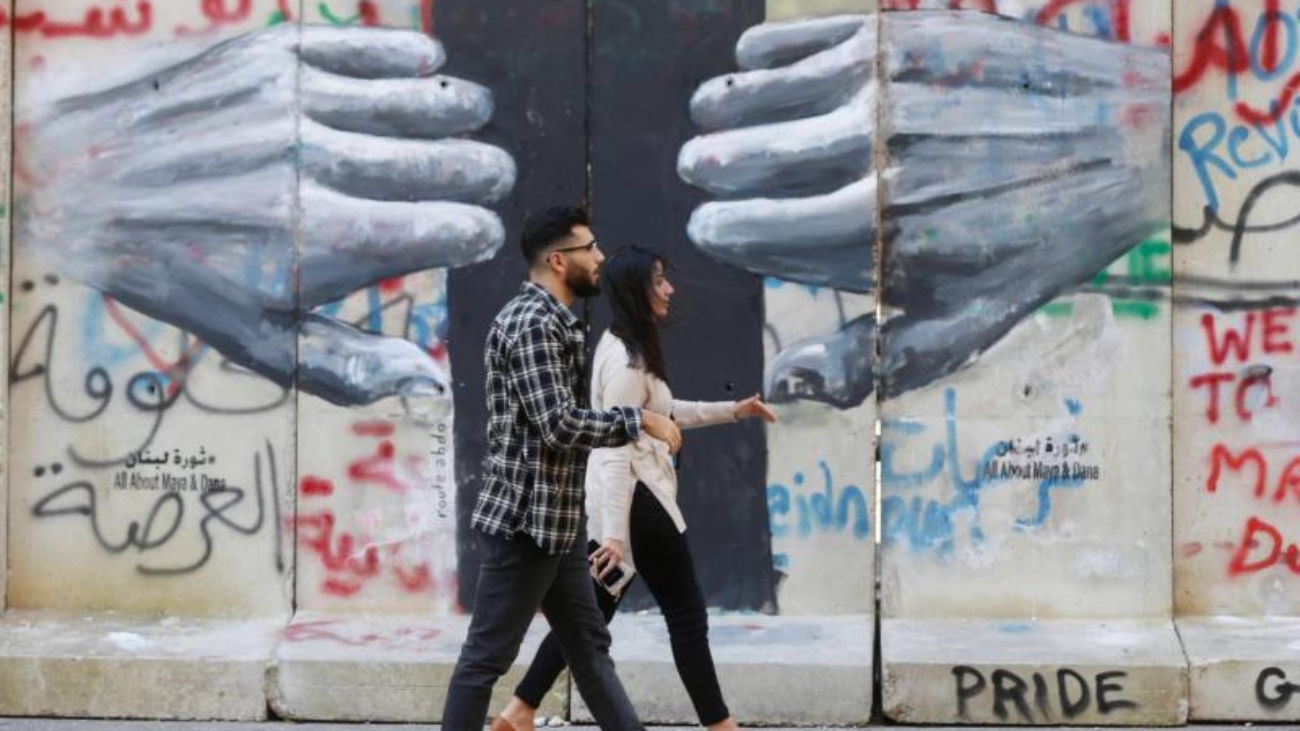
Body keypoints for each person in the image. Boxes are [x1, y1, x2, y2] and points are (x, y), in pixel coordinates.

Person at [492, 246, 777, 731]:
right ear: (634, 290)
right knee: (685, 612)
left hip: (620, 503)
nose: (669, 290)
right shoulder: (626, 361)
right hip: (637, 499)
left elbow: (663, 413)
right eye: (659, 281)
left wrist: (735, 411)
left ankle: (519, 711)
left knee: (589, 615)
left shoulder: (626, 348)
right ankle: (721, 726)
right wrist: (617, 537)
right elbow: (621, 447)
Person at [442, 209, 683, 731]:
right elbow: (557, 424)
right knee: (486, 659)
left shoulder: (555, 322)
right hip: (526, 525)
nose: (600, 258)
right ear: (558, 260)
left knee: (591, 650)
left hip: (557, 523)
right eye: (590, 248)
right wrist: (639, 420)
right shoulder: (531, 324)